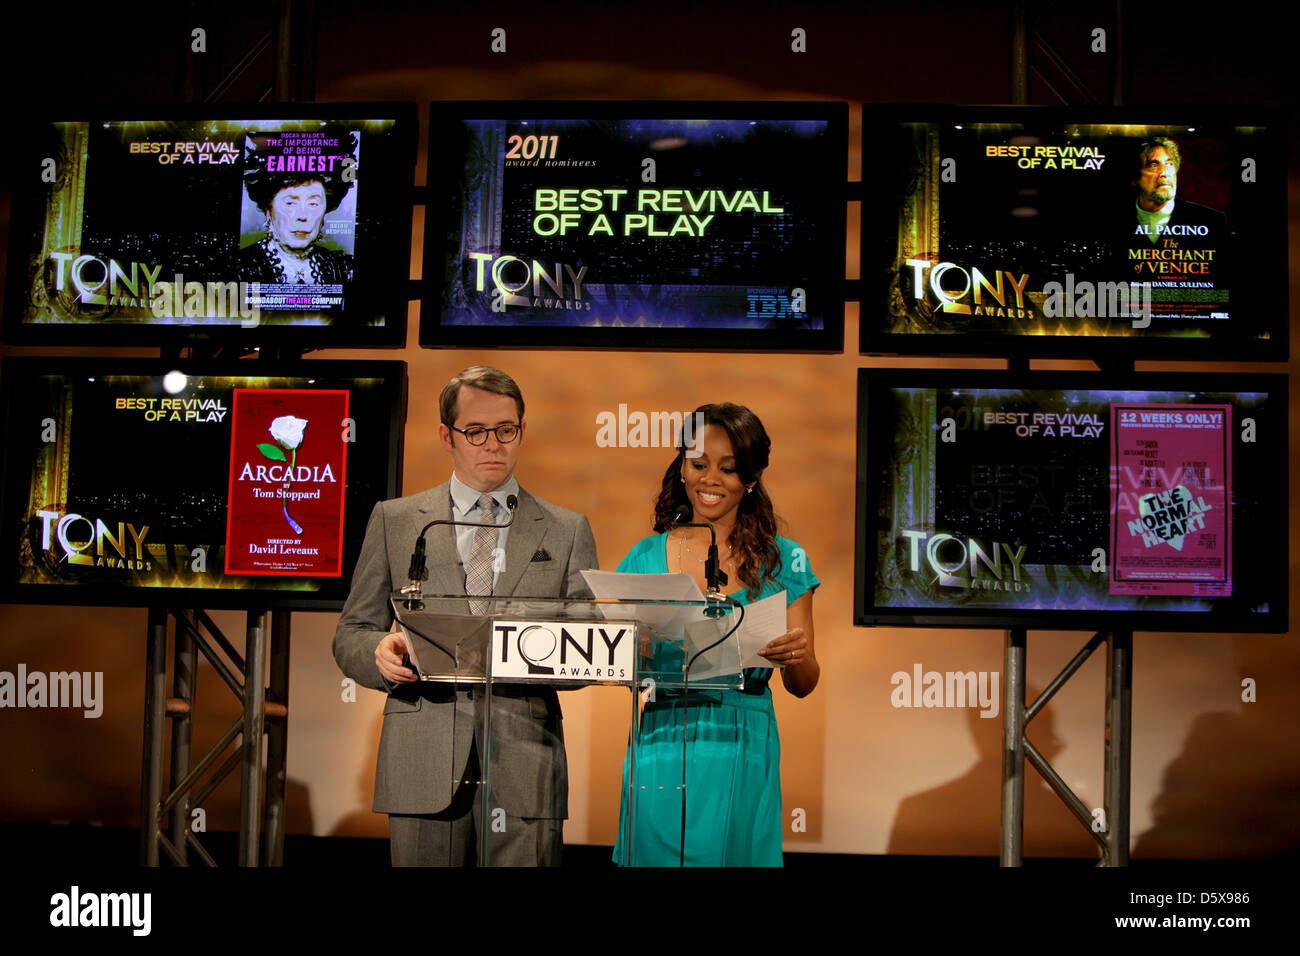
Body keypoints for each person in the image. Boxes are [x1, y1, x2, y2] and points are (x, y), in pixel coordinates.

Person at [332, 365, 598, 866]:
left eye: (506, 430)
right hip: (422, 756)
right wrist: (378, 653)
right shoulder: (395, 520)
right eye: (475, 432)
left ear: (522, 432)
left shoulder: (566, 530)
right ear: (446, 436)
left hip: (526, 761)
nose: (492, 444)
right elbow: (351, 632)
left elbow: (591, 644)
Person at [613, 402, 819, 866]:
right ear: (681, 467)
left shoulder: (785, 560)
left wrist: (796, 655)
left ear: (750, 478)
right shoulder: (645, 556)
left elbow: (804, 684)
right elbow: (615, 664)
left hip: (742, 736)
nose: (710, 480)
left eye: (728, 469)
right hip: (663, 735)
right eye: (699, 464)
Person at [237, 161, 355, 284]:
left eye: (313, 204)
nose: (302, 217)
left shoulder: (343, 269)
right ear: (268, 210)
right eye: (290, 203)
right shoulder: (240, 267)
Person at [1126, 136, 1226, 245]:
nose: (1165, 173)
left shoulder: (1212, 221)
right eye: (1153, 165)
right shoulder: (1112, 222)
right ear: (1135, 178)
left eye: (1169, 164)